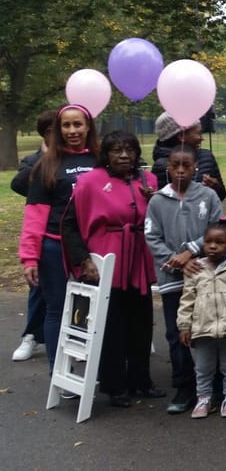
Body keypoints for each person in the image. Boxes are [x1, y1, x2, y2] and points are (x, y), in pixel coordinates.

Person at [61, 131, 163, 407]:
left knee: (141, 323)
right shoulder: (88, 182)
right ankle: (114, 384)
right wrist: (83, 260)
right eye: (116, 150)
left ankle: (141, 380)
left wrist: (155, 200)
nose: (123, 156)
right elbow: (69, 224)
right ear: (105, 155)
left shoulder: (148, 180)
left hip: (138, 258)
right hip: (104, 260)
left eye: (129, 150)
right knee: (112, 324)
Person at [145, 145, 225, 414]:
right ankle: (185, 385)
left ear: (195, 168)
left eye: (186, 165)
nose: (180, 170)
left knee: (210, 330)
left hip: (205, 276)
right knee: (176, 332)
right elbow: (152, 237)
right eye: (175, 165)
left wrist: (190, 251)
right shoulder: (157, 201)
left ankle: (217, 385)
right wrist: (175, 260)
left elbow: (218, 231)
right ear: (167, 167)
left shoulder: (208, 196)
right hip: (172, 278)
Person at [18, 105, 98, 373]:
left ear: (88, 126)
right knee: (57, 309)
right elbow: (34, 216)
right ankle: (59, 372)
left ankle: (92, 371)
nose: (72, 131)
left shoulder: (100, 160)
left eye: (78, 124)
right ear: (59, 130)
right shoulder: (47, 165)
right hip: (54, 248)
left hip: (95, 248)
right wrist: (29, 256)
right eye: (66, 126)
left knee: (91, 311)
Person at [177, 220, 226, 419]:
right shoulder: (196, 269)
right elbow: (187, 300)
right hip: (203, 329)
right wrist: (184, 326)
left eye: (219, 242)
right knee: (203, 368)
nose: (212, 246)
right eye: (208, 242)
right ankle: (203, 398)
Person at [11, 108, 55, 363]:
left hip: (70, 232)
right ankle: (31, 336)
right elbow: (18, 184)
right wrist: (46, 159)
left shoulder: (73, 160)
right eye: (51, 131)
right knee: (38, 287)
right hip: (43, 232)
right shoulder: (33, 159)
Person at [150, 112, 226, 201]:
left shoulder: (206, 157)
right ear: (182, 136)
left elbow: (221, 195)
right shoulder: (161, 166)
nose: (201, 138)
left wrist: (216, 187)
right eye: (198, 133)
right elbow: (159, 204)